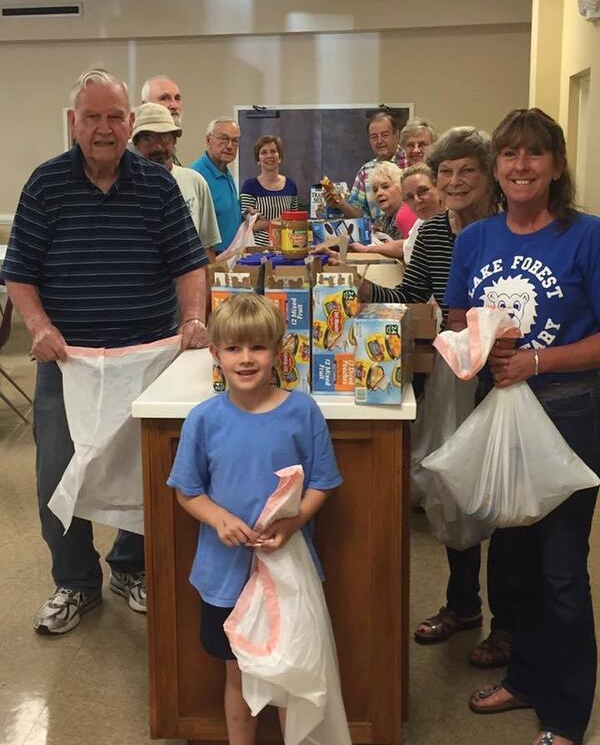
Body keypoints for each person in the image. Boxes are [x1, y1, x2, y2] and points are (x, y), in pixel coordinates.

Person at [2, 68, 209, 635]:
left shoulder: (157, 185)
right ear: (74, 123)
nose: (104, 128)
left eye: (115, 116)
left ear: (129, 123)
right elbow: (19, 273)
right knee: (55, 477)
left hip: (147, 360)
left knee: (144, 472)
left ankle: (130, 567)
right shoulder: (45, 185)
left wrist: (193, 318)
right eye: (92, 117)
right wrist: (39, 327)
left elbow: (189, 263)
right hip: (67, 362)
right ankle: (74, 583)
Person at [446, 108, 600, 745]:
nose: (520, 166)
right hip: (499, 413)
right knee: (512, 563)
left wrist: (537, 358)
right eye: (509, 154)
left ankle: (566, 713)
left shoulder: (587, 235)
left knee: (561, 568)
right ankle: (526, 678)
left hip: (568, 411)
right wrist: (473, 347)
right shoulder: (475, 239)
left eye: (534, 155)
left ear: (556, 165)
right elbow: (458, 315)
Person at [358, 127, 515, 669]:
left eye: (466, 170)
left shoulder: (507, 228)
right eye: (445, 172)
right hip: (452, 372)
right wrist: (364, 292)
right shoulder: (429, 233)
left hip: (507, 373)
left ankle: (509, 625)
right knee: (452, 487)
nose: (453, 182)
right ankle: (463, 605)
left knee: (505, 497)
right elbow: (411, 296)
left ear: (488, 174)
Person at [167, 293, 343, 744]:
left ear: (278, 351)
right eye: (233, 349)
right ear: (216, 354)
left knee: (287, 679)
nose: (246, 359)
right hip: (225, 577)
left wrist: (294, 520)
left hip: (288, 575)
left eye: (258, 348)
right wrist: (219, 518)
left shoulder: (302, 412)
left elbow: (323, 482)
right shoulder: (203, 420)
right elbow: (188, 491)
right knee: (238, 677)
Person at [132, 102, 221, 261]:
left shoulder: (195, 182)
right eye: (148, 139)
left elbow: (207, 248)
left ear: (175, 140)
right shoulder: (125, 187)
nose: (157, 147)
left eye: (164, 137)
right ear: (136, 144)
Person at [323, 112, 407, 222]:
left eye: (385, 135)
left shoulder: (411, 161)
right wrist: (341, 204)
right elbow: (359, 214)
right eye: (374, 137)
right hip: (378, 236)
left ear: (396, 136)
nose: (379, 141)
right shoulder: (365, 171)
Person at [350, 162, 441, 264]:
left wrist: (367, 249)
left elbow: (407, 249)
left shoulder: (405, 213)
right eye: (375, 190)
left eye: (385, 187)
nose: (379, 193)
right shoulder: (387, 218)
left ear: (400, 189)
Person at [189, 117, 243, 252]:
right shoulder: (196, 176)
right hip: (211, 262)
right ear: (209, 141)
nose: (230, 146)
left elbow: (223, 213)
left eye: (235, 140)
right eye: (224, 139)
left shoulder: (225, 171)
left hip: (230, 259)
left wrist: (245, 215)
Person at [240, 135, 299, 248]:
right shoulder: (249, 186)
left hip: (286, 247)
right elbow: (247, 226)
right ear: (258, 160)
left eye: (273, 151)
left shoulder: (291, 185)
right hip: (257, 249)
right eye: (263, 152)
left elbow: (294, 222)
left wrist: (265, 222)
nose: (269, 156)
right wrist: (273, 223)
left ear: (280, 157)